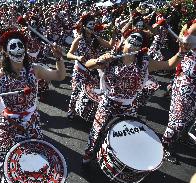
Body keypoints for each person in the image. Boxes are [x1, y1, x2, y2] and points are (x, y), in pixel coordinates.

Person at [81, 28, 189, 164]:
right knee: (96, 131)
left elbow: (168, 65)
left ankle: (117, 160)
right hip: (107, 102)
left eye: (139, 40)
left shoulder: (144, 62)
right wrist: (99, 60)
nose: (134, 41)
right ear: (124, 41)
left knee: (127, 137)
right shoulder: (112, 57)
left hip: (128, 106)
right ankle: (89, 154)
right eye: (132, 38)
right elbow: (88, 65)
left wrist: (181, 52)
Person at [0, 30, 65, 183]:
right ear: (6, 53)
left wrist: (58, 58)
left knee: (36, 154)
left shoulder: (35, 69)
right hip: (9, 121)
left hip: (31, 120)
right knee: (3, 155)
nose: (18, 49)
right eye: (13, 47)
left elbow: (59, 76)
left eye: (20, 45)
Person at [66, 13, 114, 122]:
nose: (92, 27)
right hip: (80, 70)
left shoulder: (96, 38)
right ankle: (71, 110)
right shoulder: (79, 39)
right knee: (76, 91)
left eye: (93, 25)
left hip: (93, 70)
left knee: (93, 92)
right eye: (90, 25)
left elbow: (109, 45)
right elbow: (68, 54)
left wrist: (113, 33)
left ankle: (87, 111)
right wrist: (77, 57)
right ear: (84, 26)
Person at [162, 20, 196, 163]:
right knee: (178, 120)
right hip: (187, 81)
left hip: (193, 83)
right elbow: (186, 39)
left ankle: (181, 137)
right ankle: (163, 147)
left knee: (189, 116)